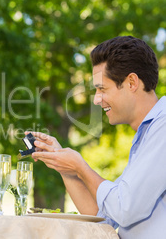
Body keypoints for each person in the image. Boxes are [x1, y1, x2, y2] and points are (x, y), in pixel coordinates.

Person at [30, 36, 164, 239]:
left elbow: (124, 209)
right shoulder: (146, 136)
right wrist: (65, 167)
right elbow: (102, 217)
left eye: (102, 88)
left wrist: (81, 167)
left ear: (131, 82)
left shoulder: (162, 128)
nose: (96, 98)